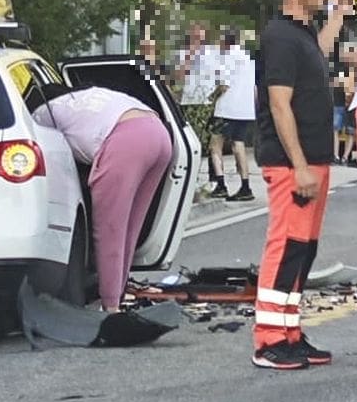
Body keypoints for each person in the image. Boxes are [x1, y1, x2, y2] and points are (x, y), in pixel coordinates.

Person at [251, 0, 352, 370]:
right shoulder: (279, 37)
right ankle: (269, 340)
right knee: (286, 245)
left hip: (312, 159)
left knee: (303, 249)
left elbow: (315, 57)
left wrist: (337, 17)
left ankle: (289, 331)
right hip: (293, 163)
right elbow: (279, 103)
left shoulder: (302, 34)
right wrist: (299, 165)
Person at [34, 85, 173, 313]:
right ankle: (118, 293)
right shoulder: (85, 98)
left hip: (125, 142)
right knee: (130, 228)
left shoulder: (42, 113)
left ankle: (111, 306)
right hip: (158, 134)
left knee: (110, 230)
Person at [174, 22, 223, 196]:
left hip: (207, 102)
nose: (197, 36)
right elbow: (179, 76)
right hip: (189, 102)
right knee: (193, 141)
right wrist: (190, 54)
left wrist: (215, 97)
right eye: (194, 33)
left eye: (200, 33)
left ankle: (214, 179)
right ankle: (192, 178)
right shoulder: (182, 53)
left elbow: (220, 77)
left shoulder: (213, 53)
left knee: (211, 142)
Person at [209, 30, 257, 201]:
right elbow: (254, 87)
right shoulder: (248, 59)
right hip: (245, 109)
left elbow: (224, 86)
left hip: (227, 108)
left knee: (215, 144)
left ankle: (221, 184)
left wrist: (211, 97)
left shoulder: (227, 58)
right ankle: (245, 185)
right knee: (238, 145)